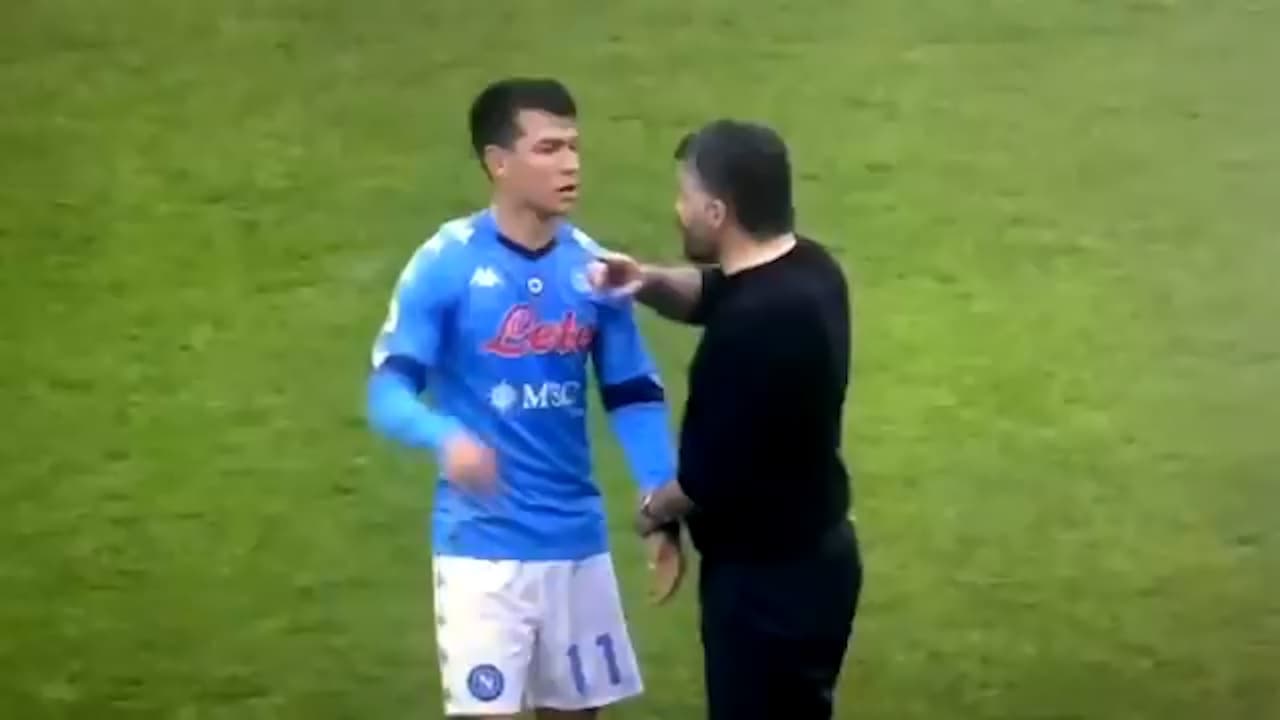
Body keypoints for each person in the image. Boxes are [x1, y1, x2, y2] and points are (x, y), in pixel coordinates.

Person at [365, 77, 684, 720]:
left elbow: (632, 393)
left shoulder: (596, 270)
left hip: (576, 546)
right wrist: (444, 437)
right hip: (481, 553)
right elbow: (388, 390)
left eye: (573, 147)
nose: (569, 164)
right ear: (498, 163)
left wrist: (661, 501)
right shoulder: (445, 263)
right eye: (548, 148)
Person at [589, 119, 862, 720]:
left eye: (686, 196)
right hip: (818, 557)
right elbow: (716, 292)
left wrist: (652, 510)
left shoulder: (751, 330)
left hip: (767, 587)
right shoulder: (811, 269)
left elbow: (704, 480)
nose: (677, 209)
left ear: (717, 212)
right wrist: (645, 281)